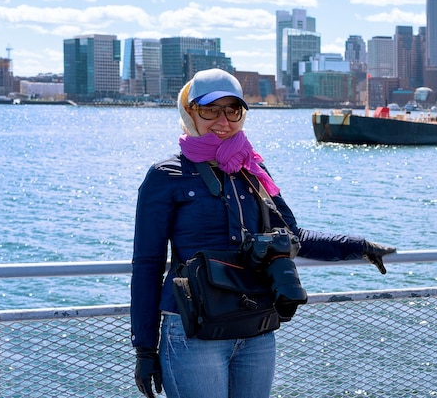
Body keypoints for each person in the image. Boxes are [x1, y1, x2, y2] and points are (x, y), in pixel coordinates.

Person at [130, 68, 396, 398]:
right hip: (192, 333)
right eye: (210, 110)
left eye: (232, 110)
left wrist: (359, 246)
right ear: (190, 112)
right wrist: (144, 349)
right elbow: (147, 265)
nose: (222, 121)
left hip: (254, 327)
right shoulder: (165, 176)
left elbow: (292, 235)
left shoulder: (252, 170)